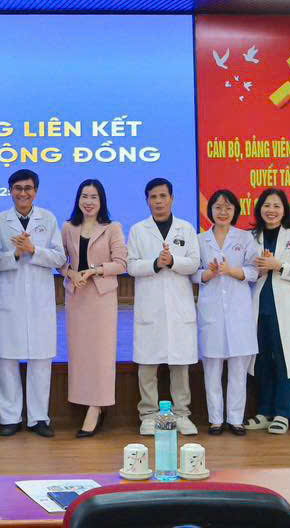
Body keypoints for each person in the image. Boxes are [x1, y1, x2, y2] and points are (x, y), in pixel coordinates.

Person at [0, 169, 67, 438]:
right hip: (9, 298)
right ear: (10, 191)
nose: (23, 193)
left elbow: (59, 258)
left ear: (36, 191)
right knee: (6, 360)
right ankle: (9, 417)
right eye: (18, 188)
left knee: (41, 359)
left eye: (28, 188)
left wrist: (33, 250)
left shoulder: (48, 219)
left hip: (39, 299)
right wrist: (14, 253)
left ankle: (38, 418)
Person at [126, 177, 200, 437]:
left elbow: (194, 263)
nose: (158, 201)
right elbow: (131, 266)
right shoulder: (138, 230)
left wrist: (173, 261)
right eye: (153, 197)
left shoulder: (186, 228)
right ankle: (148, 414)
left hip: (179, 308)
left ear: (172, 198)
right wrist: (156, 264)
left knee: (180, 365)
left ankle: (182, 414)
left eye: (163, 196)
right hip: (151, 307)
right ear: (147, 201)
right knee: (147, 365)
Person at [243, 188, 290, 435]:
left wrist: (279, 265)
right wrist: (259, 271)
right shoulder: (251, 237)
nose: (271, 210)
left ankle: (283, 412)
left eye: (276, 206)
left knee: (285, 359)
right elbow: (245, 273)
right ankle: (264, 412)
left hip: (287, 308)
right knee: (261, 360)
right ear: (259, 209)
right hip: (259, 306)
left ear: (284, 210)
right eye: (266, 205)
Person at [61, 179, 127, 438]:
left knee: (101, 354)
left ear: (101, 201)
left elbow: (121, 263)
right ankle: (84, 400)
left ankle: (96, 407)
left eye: (94, 197)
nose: (88, 202)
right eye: (84, 196)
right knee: (81, 354)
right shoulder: (68, 227)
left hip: (101, 297)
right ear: (78, 199)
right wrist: (71, 273)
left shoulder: (112, 227)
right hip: (77, 296)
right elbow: (60, 261)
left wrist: (95, 270)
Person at [195, 189, 259, 435]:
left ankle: (235, 419)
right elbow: (192, 272)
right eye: (218, 207)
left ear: (235, 211)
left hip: (238, 311)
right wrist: (208, 273)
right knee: (212, 368)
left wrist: (232, 271)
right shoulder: (200, 240)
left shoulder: (246, 238)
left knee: (238, 369)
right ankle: (215, 420)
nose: (223, 212)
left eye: (228, 207)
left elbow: (255, 270)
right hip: (211, 310)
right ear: (210, 210)